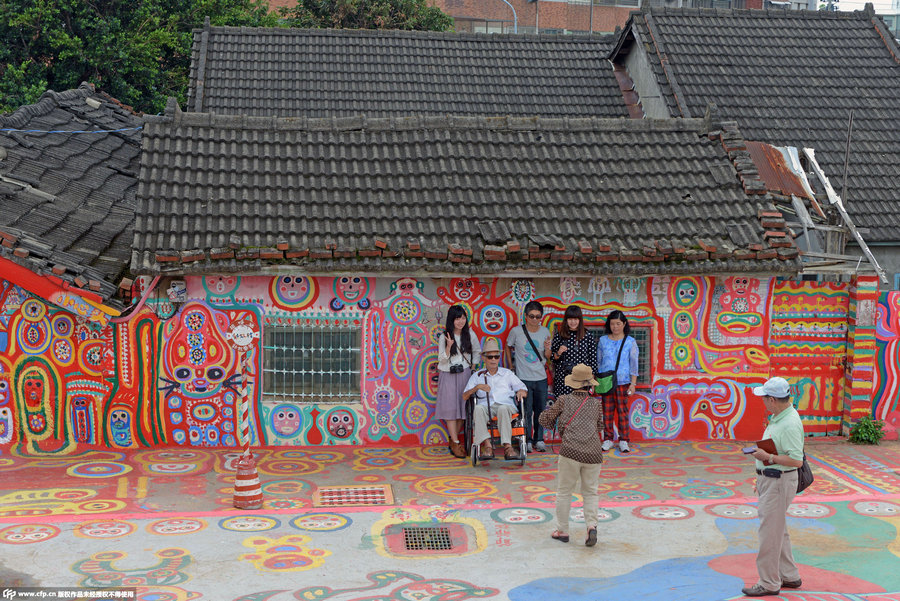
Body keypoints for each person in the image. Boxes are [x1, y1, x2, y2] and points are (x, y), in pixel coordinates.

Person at [741, 376, 805, 597]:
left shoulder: (788, 423)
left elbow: (796, 460)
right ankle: (789, 574)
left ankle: (769, 582)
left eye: (764, 398)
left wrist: (768, 457)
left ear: (772, 400)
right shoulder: (780, 417)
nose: (763, 402)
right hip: (773, 479)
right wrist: (762, 474)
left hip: (779, 481)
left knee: (769, 533)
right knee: (778, 530)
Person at [538, 363, 604, 547]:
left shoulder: (563, 400)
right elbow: (600, 427)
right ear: (590, 384)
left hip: (570, 452)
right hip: (593, 453)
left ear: (573, 383)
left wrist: (544, 415)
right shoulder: (595, 403)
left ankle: (562, 530)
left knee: (565, 492)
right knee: (590, 492)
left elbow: (546, 420)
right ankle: (591, 526)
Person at [463, 339, 527, 461]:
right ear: (484, 358)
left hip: (506, 406)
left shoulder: (507, 373)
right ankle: (488, 446)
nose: (493, 360)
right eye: (490, 357)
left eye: (496, 356)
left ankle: (508, 447)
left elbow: (523, 388)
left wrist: (521, 391)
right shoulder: (477, 375)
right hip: (487, 407)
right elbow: (465, 396)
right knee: (478, 408)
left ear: (499, 358)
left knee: (503, 408)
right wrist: (477, 387)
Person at [504, 301, 552, 453]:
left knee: (540, 410)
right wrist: (511, 366)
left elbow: (548, 356)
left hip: (541, 378)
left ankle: (539, 439)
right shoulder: (516, 331)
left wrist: (547, 349)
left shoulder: (545, 332)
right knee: (525, 411)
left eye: (538, 317)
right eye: (531, 316)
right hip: (522, 379)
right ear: (525, 316)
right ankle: (527, 440)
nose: (534, 319)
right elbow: (508, 346)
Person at [436, 305, 482, 459]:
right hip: (448, 374)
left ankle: (453, 440)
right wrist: (449, 347)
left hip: (465, 375)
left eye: (463, 318)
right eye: (457, 318)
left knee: (463, 409)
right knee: (450, 409)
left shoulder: (470, 334)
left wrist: (473, 366)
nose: (461, 321)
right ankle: (455, 442)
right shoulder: (444, 336)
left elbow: (477, 351)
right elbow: (441, 359)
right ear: (452, 320)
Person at [597, 310, 639, 453]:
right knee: (607, 411)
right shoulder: (603, 340)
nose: (615, 327)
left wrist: (633, 384)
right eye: (612, 324)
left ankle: (623, 440)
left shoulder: (630, 342)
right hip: (606, 381)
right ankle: (608, 439)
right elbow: (598, 361)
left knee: (622, 412)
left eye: (618, 324)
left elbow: (634, 364)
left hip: (623, 382)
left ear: (624, 324)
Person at [549, 305, 597, 398]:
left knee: (580, 409)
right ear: (566, 320)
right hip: (563, 380)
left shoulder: (587, 335)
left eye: (576, 319)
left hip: (582, 380)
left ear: (580, 320)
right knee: (563, 408)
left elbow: (592, 360)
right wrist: (558, 352)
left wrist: (592, 383)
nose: (573, 322)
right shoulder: (560, 335)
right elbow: (553, 359)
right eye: (570, 319)